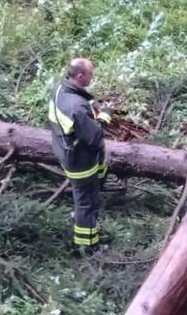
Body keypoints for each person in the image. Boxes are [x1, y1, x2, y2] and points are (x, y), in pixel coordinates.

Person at [47, 57, 111, 253]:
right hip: (80, 161)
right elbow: (94, 135)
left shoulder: (61, 87)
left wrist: (94, 106)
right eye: (91, 74)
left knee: (86, 197)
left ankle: (85, 228)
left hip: (65, 149)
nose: (93, 77)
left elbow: (81, 103)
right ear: (81, 75)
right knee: (87, 202)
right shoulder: (76, 108)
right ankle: (87, 245)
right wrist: (105, 115)